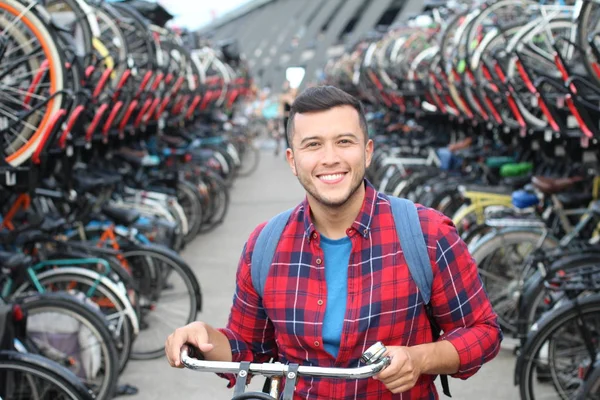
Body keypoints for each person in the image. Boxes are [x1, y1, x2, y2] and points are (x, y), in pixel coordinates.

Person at [165, 86, 502, 399]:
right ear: (292, 160)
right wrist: (202, 338)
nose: (330, 158)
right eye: (313, 144)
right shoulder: (265, 245)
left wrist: (421, 358)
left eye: (344, 141)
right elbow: (247, 347)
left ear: (367, 152)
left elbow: (483, 332)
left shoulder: (426, 233)